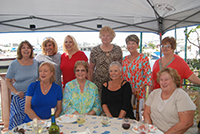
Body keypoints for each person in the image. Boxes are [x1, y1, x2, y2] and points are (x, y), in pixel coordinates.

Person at [144, 67, 197, 133]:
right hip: (157, 131)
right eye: (161, 80)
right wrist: (150, 129)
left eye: (166, 79)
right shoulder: (154, 93)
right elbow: (146, 113)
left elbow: (186, 123)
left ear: (175, 80)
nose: (163, 82)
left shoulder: (181, 95)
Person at [6, 40, 38, 129]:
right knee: (17, 122)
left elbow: (39, 78)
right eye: (23, 48)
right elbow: (7, 81)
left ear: (31, 50)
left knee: (31, 121)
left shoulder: (35, 62)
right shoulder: (14, 64)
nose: (26, 50)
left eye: (28, 48)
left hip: (32, 96)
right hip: (19, 97)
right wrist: (15, 92)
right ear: (20, 50)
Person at [122, 34, 151, 120]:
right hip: (126, 92)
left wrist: (140, 88)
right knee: (126, 114)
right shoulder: (124, 59)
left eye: (133, 43)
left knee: (137, 115)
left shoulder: (143, 58)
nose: (131, 46)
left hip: (139, 92)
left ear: (137, 45)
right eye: (129, 43)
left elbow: (148, 75)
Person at [89, 26, 122, 97]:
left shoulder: (117, 49)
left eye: (108, 35)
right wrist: (90, 84)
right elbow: (91, 68)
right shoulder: (95, 50)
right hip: (98, 84)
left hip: (113, 83)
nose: (105, 37)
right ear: (100, 37)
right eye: (103, 35)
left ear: (112, 37)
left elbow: (120, 67)